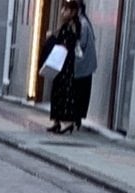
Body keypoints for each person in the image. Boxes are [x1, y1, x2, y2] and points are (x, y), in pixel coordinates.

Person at [44, 0, 81, 132]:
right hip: (60, 63)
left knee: (65, 92)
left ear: (73, 12)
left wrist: (52, 38)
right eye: (62, 9)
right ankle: (57, 121)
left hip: (66, 64)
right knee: (57, 90)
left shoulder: (74, 26)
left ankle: (67, 122)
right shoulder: (65, 25)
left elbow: (67, 43)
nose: (62, 12)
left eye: (66, 10)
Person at [72, 0, 97, 128]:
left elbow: (79, 44)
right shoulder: (85, 22)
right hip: (87, 66)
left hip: (82, 66)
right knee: (82, 94)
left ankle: (75, 118)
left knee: (77, 93)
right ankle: (77, 119)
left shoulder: (81, 24)